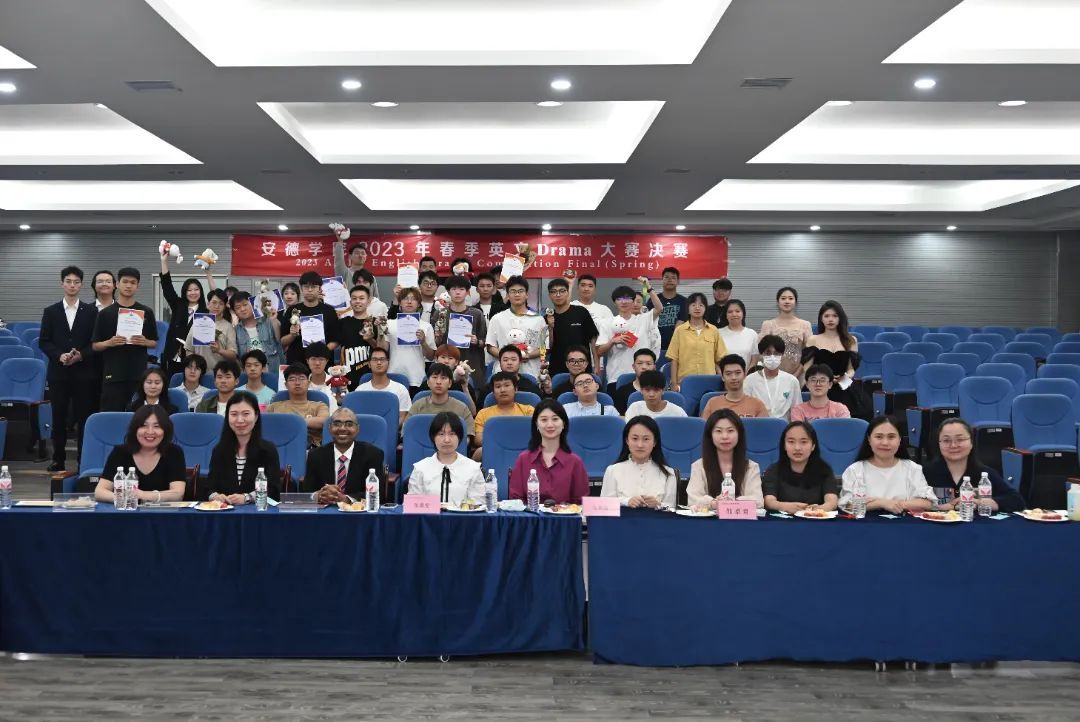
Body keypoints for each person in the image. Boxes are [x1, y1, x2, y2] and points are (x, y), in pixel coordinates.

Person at [38, 266, 98, 472]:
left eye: (76, 282)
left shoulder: (91, 311)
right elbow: (44, 341)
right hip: (59, 373)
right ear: (62, 283)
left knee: (84, 418)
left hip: (84, 373)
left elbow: (94, 342)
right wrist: (59, 355)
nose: (72, 285)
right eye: (68, 281)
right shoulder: (51, 311)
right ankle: (58, 459)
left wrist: (81, 354)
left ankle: (83, 460)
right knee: (58, 417)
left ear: (81, 285)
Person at [91, 266, 158, 412]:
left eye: (133, 283)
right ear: (117, 284)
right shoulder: (105, 314)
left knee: (138, 416)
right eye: (125, 282)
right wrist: (109, 342)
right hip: (113, 374)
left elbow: (154, 342)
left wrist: (145, 341)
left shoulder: (146, 312)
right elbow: (95, 345)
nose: (128, 286)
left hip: (138, 374)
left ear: (137, 286)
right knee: (112, 416)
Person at [922, 418, 1024, 513]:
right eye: (946, 440)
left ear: (971, 442)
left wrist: (982, 503)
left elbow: (1017, 501)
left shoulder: (986, 474)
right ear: (939, 444)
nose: (953, 445)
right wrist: (944, 506)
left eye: (960, 439)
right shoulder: (924, 472)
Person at [838, 416, 936, 513]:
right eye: (879, 437)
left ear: (900, 440)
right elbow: (846, 506)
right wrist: (880, 503)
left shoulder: (912, 468)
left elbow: (927, 503)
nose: (885, 442)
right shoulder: (855, 470)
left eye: (891, 437)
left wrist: (894, 504)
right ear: (869, 439)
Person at [94, 405, 186, 503]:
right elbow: (100, 492)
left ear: (165, 430)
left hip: (163, 512)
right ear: (135, 429)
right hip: (127, 510)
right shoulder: (120, 452)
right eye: (143, 425)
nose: (150, 432)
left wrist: (142, 495)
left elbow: (178, 494)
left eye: (157, 426)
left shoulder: (174, 452)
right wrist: (124, 499)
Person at [509, 399, 589, 504]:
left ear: (563, 423)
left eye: (555, 419)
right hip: (530, 514)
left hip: (564, 514)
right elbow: (515, 500)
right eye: (544, 420)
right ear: (536, 425)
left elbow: (580, 503)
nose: (550, 425)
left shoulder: (575, 462)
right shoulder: (523, 459)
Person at [207, 392, 281, 504]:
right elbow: (209, 487)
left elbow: (273, 490)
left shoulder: (268, 450)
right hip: (225, 511)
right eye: (234, 414)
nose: (240, 420)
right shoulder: (219, 450)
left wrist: (247, 498)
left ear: (256, 416)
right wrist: (215, 496)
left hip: (257, 511)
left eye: (246, 414)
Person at [803, 300, 871, 420]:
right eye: (827, 316)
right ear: (821, 319)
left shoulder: (851, 340)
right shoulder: (813, 339)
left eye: (835, 316)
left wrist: (843, 378)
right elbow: (807, 369)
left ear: (840, 318)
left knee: (860, 411)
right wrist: (825, 379)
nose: (830, 319)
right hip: (819, 383)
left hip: (843, 382)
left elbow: (851, 370)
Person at [304, 407, 387, 504]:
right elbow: (306, 493)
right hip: (325, 510)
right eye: (337, 424)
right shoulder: (315, 455)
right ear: (330, 428)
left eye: (349, 424)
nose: (342, 428)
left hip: (357, 511)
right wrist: (319, 495)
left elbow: (377, 494)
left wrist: (346, 499)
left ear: (357, 429)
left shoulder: (373, 454)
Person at [597, 280, 663, 394]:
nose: (624, 302)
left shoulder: (643, 319)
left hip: (644, 377)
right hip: (616, 376)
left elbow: (659, 308)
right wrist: (612, 341)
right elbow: (599, 351)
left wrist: (648, 287)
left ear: (633, 301)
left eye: (627, 298)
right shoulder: (606, 323)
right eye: (619, 299)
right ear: (615, 302)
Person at [687, 409, 763, 507]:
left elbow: (758, 501)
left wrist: (731, 502)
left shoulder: (751, 467)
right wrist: (713, 503)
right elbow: (692, 500)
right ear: (710, 435)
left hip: (740, 516)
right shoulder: (699, 466)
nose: (725, 436)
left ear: (739, 434)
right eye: (718, 431)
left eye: (730, 431)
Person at [407, 412, 486, 505]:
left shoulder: (473, 468)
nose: (447, 440)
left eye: (452, 434)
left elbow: (479, 504)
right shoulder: (420, 468)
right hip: (428, 515)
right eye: (441, 434)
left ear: (459, 437)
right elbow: (413, 505)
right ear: (433, 438)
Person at [762, 421, 839, 513]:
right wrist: (784, 506)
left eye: (803, 442)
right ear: (784, 445)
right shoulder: (773, 470)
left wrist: (819, 509)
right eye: (791, 442)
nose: (797, 448)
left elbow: (832, 501)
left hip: (815, 519)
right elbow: (769, 501)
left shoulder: (824, 470)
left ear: (813, 446)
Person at [600, 415, 677, 508]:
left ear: (655, 442)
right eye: (635, 438)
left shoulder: (669, 474)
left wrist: (658, 505)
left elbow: (672, 508)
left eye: (646, 439)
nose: (640, 445)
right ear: (627, 440)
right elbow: (603, 506)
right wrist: (626, 501)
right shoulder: (612, 471)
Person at [158, 248, 212, 377]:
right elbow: (167, 287)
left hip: (194, 360)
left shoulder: (206, 312)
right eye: (189, 290)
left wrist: (208, 272)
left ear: (201, 291)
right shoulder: (178, 305)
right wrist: (164, 261)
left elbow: (216, 296)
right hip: (173, 357)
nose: (193, 293)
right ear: (184, 292)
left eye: (196, 289)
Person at [485, 276, 548, 378]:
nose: (517, 294)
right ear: (508, 295)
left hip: (530, 372)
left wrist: (529, 355)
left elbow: (544, 347)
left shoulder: (538, 319)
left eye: (520, 291)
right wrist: (507, 357)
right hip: (503, 374)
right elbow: (490, 346)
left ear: (527, 294)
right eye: (513, 291)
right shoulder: (497, 318)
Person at [431, 275, 487, 389]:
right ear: (448, 292)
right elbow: (433, 344)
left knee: (470, 394)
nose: (457, 292)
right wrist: (438, 338)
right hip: (445, 365)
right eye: (454, 289)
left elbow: (485, 341)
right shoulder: (440, 314)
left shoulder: (476, 314)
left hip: (471, 364)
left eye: (461, 289)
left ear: (467, 292)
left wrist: (476, 341)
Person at [665, 292, 725, 390]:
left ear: (705, 309)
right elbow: (674, 359)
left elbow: (718, 360)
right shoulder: (680, 330)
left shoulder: (713, 330)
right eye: (693, 305)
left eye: (701, 305)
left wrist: (722, 380)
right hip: (685, 382)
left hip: (710, 381)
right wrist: (674, 384)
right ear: (688, 309)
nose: (697, 308)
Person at [280, 271, 341, 364]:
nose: (309, 290)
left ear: (319, 288)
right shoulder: (292, 310)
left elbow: (336, 340)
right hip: (297, 363)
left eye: (313, 287)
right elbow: (282, 341)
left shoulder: (329, 311)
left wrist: (322, 352)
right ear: (301, 288)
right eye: (306, 287)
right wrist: (292, 335)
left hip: (322, 363)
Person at [472, 372, 535, 460]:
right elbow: (478, 440)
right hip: (495, 451)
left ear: (515, 389)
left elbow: (534, 435)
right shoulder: (483, 413)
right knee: (480, 451)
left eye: (507, 385)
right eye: (498, 387)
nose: (502, 390)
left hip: (523, 450)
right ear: (493, 392)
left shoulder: (528, 410)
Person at [545, 277, 600, 377]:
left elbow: (593, 340)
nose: (558, 294)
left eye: (562, 291)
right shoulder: (547, 317)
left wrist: (596, 365)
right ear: (549, 295)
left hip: (582, 367)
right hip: (557, 369)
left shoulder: (581, 312)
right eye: (554, 292)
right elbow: (549, 347)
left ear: (568, 293)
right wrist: (550, 327)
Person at [267, 362, 330, 447]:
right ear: (286, 385)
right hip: (280, 447)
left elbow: (324, 422)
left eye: (301, 378)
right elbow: (265, 426)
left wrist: (292, 422)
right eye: (292, 379)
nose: (297, 383)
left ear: (308, 383)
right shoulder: (274, 407)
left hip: (311, 449)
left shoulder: (319, 406)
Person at [336, 284, 387, 390]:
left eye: (361, 298)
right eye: (354, 298)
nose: (357, 301)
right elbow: (333, 343)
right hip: (348, 379)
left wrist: (370, 340)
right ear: (350, 302)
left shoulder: (376, 323)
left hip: (371, 378)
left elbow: (383, 351)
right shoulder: (342, 323)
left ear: (368, 301)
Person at [386, 287, 435, 392]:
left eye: (413, 299)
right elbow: (382, 349)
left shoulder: (426, 326)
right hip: (393, 374)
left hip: (417, 377)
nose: (409, 302)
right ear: (400, 303)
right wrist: (380, 332)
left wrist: (423, 342)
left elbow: (431, 357)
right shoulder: (389, 324)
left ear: (419, 304)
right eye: (405, 298)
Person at [757, 286, 813, 377]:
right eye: (783, 298)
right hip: (772, 375)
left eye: (790, 298)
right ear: (778, 302)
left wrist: (796, 375)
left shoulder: (805, 325)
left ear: (796, 302)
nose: (787, 301)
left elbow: (810, 353)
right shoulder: (768, 324)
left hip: (798, 376)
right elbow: (761, 352)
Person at [406, 363, 475, 437]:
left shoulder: (462, 408)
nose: (438, 382)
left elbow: (468, 435)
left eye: (443, 378)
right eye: (435, 377)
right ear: (428, 382)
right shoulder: (417, 406)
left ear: (450, 383)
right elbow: (406, 433)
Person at [744, 335, 802, 420]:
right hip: (758, 424)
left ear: (782, 355)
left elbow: (797, 412)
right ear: (761, 355)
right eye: (768, 353)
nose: (772, 357)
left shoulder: (792, 381)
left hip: (784, 426)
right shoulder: (750, 380)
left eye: (776, 353)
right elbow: (746, 410)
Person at [231, 291, 284, 374]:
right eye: (238, 307)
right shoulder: (236, 331)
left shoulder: (268, 321)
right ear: (234, 312)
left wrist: (273, 320)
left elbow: (278, 339)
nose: (242, 309)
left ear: (252, 304)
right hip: (250, 374)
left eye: (245, 304)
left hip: (273, 371)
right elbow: (236, 357)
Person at [699, 355, 769, 419]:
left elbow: (765, 428)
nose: (733, 377)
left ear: (744, 375)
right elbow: (703, 428)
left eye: (738, 373)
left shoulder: (757, 405)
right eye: (728, 374)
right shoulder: (712, 403)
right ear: (722, 377)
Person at [355, 347, 410, 427]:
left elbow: (402, 417)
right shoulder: (360, 390)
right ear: (369, 364)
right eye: (375, 359)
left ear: (388, 363)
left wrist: (386, 430)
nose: (379, 362)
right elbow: (356, 417)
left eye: (382, 359)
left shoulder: (401, 389)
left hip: (391, 431)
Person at [183, 288, 237, 368]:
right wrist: (194, 367)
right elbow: (189, 350)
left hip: (219, 373)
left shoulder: (228, 327)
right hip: (199, 372)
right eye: (214, 302)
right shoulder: (198, 322)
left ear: (224, 306)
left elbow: (233, 355)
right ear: (208, 304)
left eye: (221, 303)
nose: (217, 306)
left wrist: (220, 350)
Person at [645, 267, 688, 353]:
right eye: (666, 277)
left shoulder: (684, 301)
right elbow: (647, 322)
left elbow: (681, 323)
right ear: (662, 280)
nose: (670, 280)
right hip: (654, 346)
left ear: (678, 281)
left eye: (673, 277)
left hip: (676, 347)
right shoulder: (653, 300)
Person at [479, 345, 546, 400]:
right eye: (505, 360)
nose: (509, 363)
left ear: (520, 362)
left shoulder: (531, 388)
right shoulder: (491, 387)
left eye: (513, 360)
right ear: (500, 362)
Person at [432, 344, 477, 414]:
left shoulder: (463, 382)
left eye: (450, 358)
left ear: (456, 362)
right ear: (436, 359)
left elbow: (473, 412)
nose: (446, 361)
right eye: (443, 357)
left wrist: (465, 388)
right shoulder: (429, 382)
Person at [610, 349, 657, 415]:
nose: (644, 367)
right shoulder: (622, 391)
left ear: (654, 367)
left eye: (648, 364)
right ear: (633, 366)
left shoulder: (659, 391)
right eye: (640, 363)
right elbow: (620, 417)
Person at [718, 300, 757, 366]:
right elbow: (715, 360)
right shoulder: (718, 333)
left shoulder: (752, 334)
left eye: (737, 311)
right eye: (730, 312)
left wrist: (746, 373)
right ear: (726, 315)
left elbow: (754, 361)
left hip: (747, 372)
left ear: (743, 313)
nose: (734, 314)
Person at [303, 342, 337, 413]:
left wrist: (340, 400)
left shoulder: (337, 382)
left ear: (327, 361)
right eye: (313, 359)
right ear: (307, 361)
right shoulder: (302, 384)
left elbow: (346, 405)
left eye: (321, 359)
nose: (317, 363)